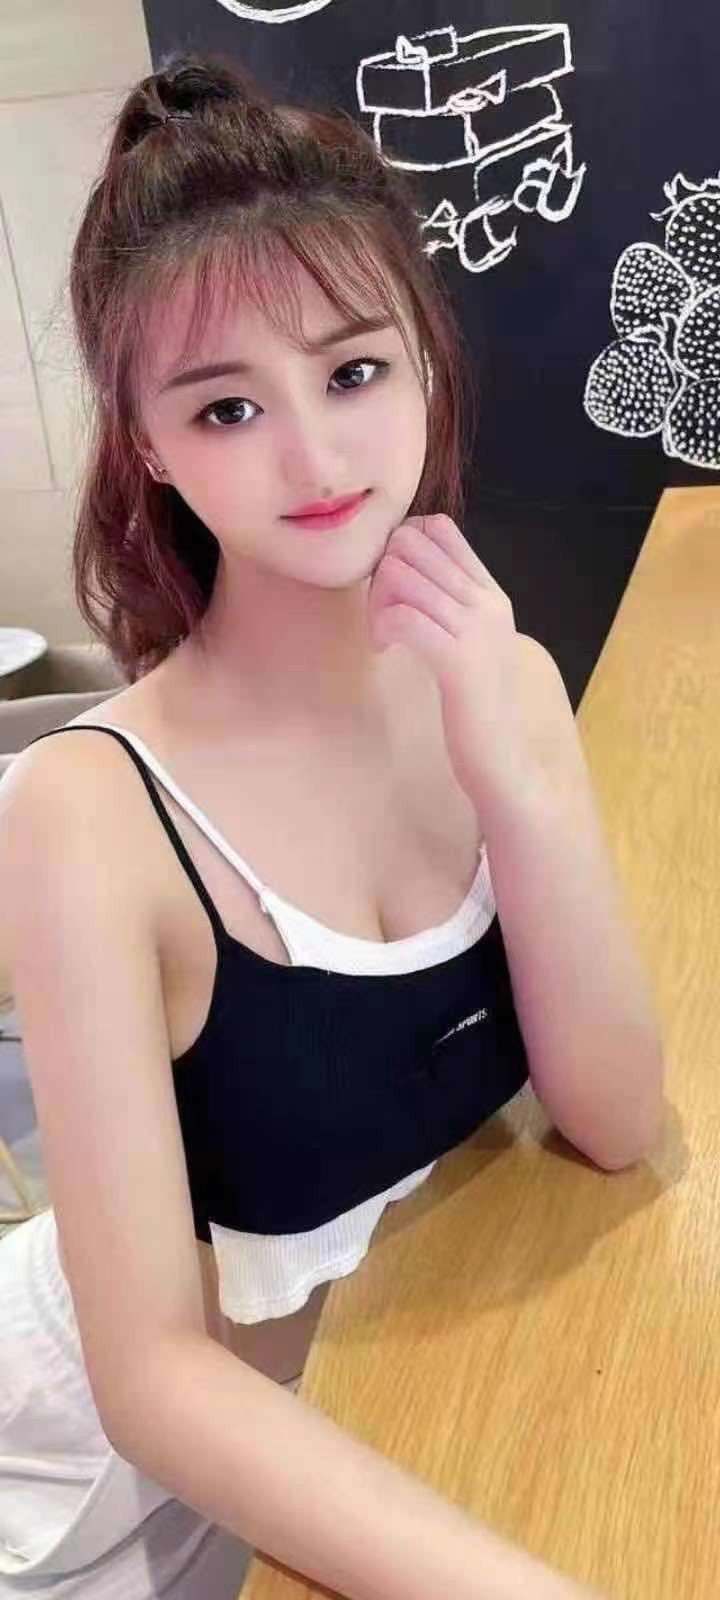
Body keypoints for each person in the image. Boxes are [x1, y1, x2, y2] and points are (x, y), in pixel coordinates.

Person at [0, 48, 623, 1600]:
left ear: (424, 362)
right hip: (105, 1492)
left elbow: (615, 1118)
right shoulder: (86, 814)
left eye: (352, 374)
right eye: (227, 407)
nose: (318, 459)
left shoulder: (502, 677)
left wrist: (518, 779)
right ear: (148, 446)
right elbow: (153, 1379)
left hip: (385, 1400)